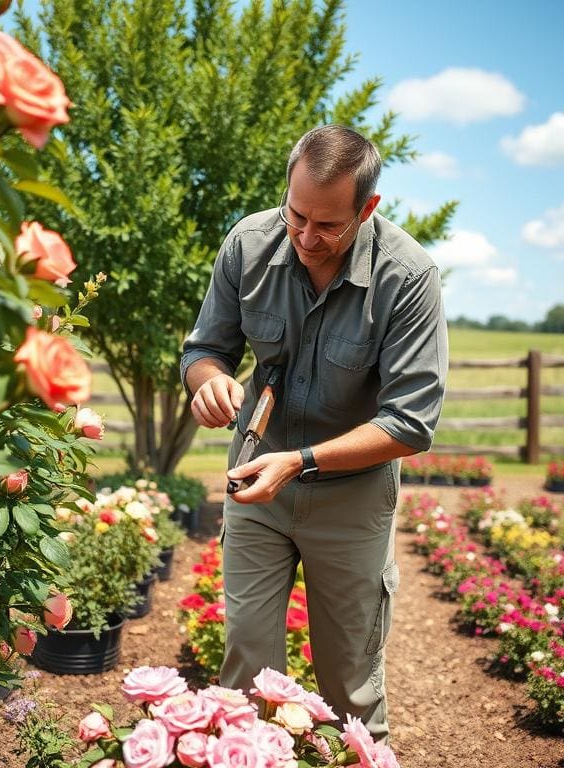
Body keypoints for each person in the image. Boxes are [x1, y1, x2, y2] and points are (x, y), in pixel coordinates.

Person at [180, 124, 448, 741]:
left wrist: (300, 461)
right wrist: (209, 382)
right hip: (256, 482)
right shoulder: (248, 245)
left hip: (352, 499)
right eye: (295, 215)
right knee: (247, 670)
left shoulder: (409, 277)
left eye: (327, 225)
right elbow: (203, 350)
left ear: (367, 208)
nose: (305, 237)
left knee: (349, 683)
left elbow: (411, 423)